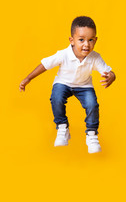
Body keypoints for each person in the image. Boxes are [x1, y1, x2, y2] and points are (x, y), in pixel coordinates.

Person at [19, 16, 116, 153]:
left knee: (92, 104)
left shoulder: (95, 57)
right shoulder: (63, 54)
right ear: (72, 40)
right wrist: (28, 78)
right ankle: (62, 127)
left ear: (95, 40)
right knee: (56, 97)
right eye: (81, 40)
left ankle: (92, 135)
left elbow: (109, 71)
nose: (86, 45)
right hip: (63, 83)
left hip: (84, 86)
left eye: (91, 40)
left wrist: (111, 76)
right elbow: (45, 65)